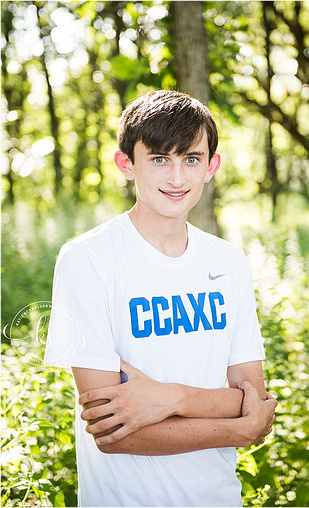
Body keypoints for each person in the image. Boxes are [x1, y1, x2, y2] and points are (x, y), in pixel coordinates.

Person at [44, 89, 277, 507]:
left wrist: (171, 398)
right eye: (159, 159)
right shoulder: (86, 259)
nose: (176, 178)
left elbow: (254, 398)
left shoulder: (229, 262)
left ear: (211, 166)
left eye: (191, 159)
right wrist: (237, 426)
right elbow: (112, 432)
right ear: (126, 164)